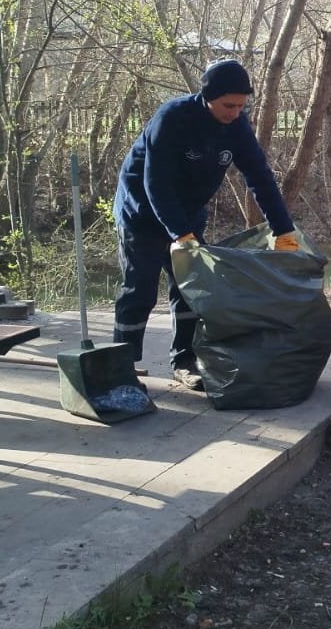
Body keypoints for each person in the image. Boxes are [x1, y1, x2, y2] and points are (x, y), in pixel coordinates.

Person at [112, 59, 299, 391]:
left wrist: (283, 228)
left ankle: (183, 361)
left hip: (188, 213)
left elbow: (259, 177)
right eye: (228, 105)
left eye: (241, 106)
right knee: (138, 290)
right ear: (208, 96)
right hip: (141, 213)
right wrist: (179, 234)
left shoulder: (238, 127)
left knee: (190, 289)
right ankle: (122, 366)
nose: (234, 112)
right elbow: (156, 183)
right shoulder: (172, 119)